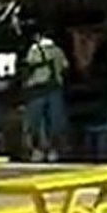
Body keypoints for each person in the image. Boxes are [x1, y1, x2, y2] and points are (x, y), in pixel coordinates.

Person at [21, 31, 70, 162]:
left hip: (38, 90)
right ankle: (53, 150)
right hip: (55, 88)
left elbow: (28, 65)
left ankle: (37, 150)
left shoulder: (34, 50)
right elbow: (65, 67)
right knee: (55, 120)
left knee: (35, 121)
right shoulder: (59, 51)